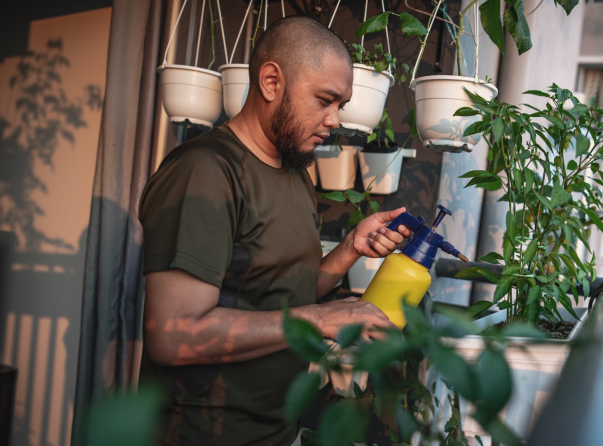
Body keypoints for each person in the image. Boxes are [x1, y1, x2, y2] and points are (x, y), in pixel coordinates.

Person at [138, 16, 409, 446]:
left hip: (276, 432)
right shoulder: (206, 171)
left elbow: (282, 293)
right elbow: (173, 336)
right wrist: (321, 319)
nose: (335, 119)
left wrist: (349, 250)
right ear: (270, 82)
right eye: (326, 100)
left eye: (341, 105)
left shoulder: (294, 172)